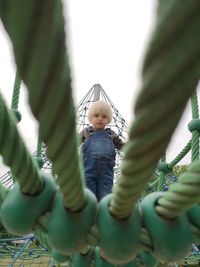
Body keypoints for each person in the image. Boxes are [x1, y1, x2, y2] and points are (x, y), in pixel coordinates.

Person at [79, 100, 124, 201]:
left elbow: (121, 145)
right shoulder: (86, 132)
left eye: (104, 116)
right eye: (96, 115)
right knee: (88, 196)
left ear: (108, 119)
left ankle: (102, 215)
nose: (100, 119)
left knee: (105, 197)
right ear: (91, 117)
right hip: (87, 171)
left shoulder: (111, 134)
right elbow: (73, 143)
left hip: (106, 174)